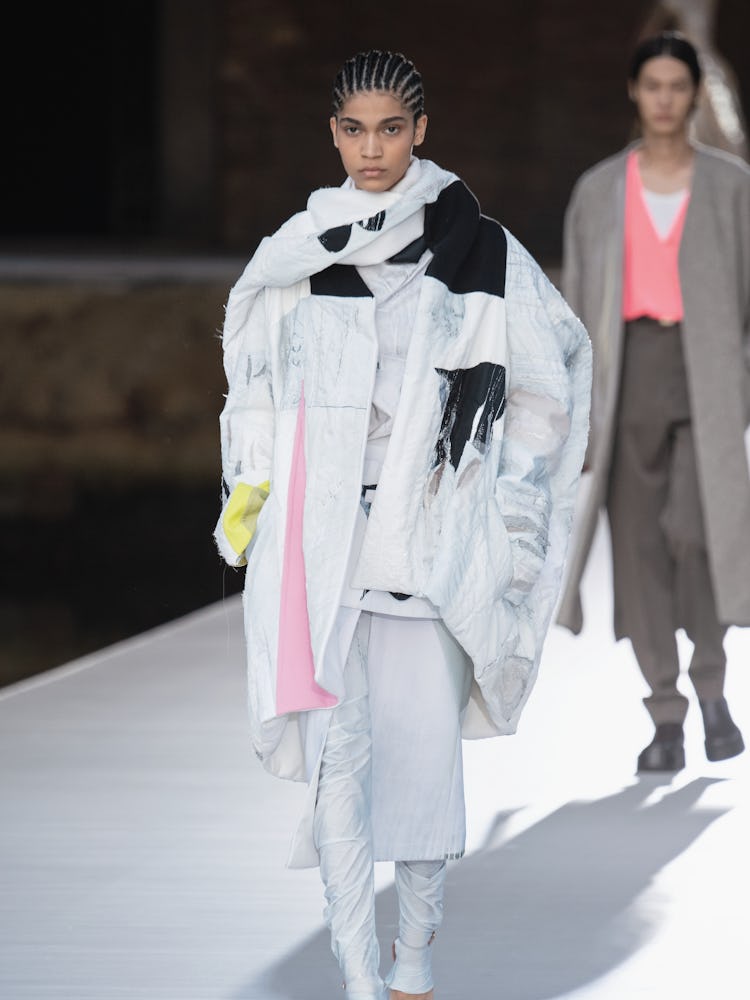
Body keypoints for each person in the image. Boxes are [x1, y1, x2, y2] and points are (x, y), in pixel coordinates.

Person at [214, 49, 591, 1000]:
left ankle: (415, 958)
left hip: (434, 534)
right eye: (353, 129)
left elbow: (551, 381)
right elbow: (252, 383)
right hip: (322, 535)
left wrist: (509, 504)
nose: (371, 148)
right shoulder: (304, 251)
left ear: (420, 132)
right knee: (338, 757)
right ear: (332, 133)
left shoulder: (480, 247)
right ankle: (356, 968)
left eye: (391, 129)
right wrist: (250, 493)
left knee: (422, 761)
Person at [556, 30, 750, 774]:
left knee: (700, 537)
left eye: (678, 86)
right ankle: (666, 714)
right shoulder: (600, 190)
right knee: (637, 551)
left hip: (710, 376)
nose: (666, 99)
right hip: (626, 372)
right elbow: (576, 307)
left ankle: (712, 687)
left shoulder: (732, 186)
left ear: (695, 93)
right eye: (653, 86)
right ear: (635, 94)